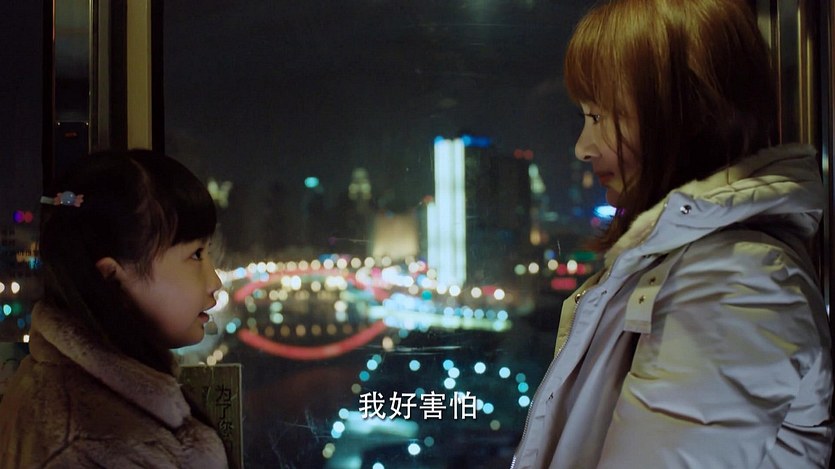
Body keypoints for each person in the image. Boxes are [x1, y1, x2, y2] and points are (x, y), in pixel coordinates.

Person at [512, 0, 833, 467]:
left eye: (599, 117)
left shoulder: (735, 283)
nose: (583, 147)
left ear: (687, 113)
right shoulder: (705, 266)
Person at [0, 150, 229, 468]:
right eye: (196, 255)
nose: (214, 282)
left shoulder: (61, 395)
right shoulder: (92, 445)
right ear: (112, 278)